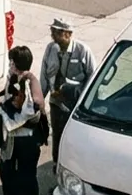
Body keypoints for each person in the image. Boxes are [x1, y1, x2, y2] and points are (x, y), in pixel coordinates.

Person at [40, 18, 96, 171]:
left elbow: (93, 80)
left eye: (56, 32)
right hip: (56, 103)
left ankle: (75, 169)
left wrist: (80, 98)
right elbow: (44, 76)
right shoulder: (50, 49)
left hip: (74, 104)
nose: (52, 34)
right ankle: (57, 166)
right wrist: (40, 101)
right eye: (52, 31)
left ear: (68, 34)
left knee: (74, 138)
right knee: (57, 136)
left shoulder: (83, 50)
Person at [0, 45, 45, 195]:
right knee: (7, 172)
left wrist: (15, 112)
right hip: (11, 138)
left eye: (11, 62)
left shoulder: (30, 81)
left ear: (17, 65)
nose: (9, 65)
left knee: (26, 176)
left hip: (27, 139)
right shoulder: (12, 79)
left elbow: (36, 106)